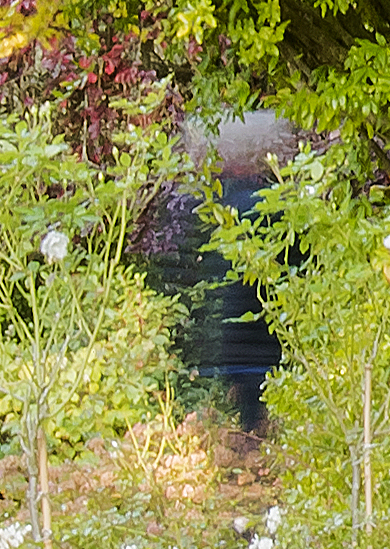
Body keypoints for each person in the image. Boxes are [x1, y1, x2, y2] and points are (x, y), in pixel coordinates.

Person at [133, 109, 311, 432]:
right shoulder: (270, 204)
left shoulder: (230, 207)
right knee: (257, 422)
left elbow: (215, 278)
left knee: (251, 422)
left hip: (244, 343)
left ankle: (251, 449)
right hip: (264, 341)